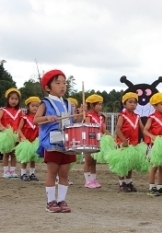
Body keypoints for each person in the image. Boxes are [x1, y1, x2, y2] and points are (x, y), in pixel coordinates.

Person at [34, 69, 84, 213]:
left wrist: (81, 113)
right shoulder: (45, 103)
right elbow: (35, 120)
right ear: (48, 87)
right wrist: (46, 118)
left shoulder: (69, 103)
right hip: (52, 142)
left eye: (64, 83)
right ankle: (50, 202)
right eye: (57, 83)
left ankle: (61, 201)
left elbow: (75, 121)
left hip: (67, 142)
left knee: (64, 173)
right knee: (52, 172)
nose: (62, 86)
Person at [143, 93, 162, 196]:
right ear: (155, 106)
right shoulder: (152, 117)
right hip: (154, 145)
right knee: (154, 165)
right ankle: (151, 187)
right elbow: (145, 130)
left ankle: (160, 186)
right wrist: (152, 136)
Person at [115, 92, 144, 192]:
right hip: (123, 144)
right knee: (122, 164)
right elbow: (117, 129)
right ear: (124, 104)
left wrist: (146, 138)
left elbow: (143, 129)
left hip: (134, 144)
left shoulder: (137, 117)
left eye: (135, 102)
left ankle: (129, 182)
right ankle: (121, 183)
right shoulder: (122, 116)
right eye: (130, 102)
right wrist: (123, 140)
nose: (133, 104)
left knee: (130, 164)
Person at [83, 94, 108, 189]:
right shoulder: (88, 115)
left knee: (94, 161)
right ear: (92, 105)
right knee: (88, 161)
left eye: (101, 105)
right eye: (99, 104)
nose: (101, 107)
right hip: (89, 140)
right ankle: (87, 180)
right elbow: (87, 127)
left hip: (98, 141)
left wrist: (109, 136)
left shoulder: (101, 117)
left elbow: (103, 129)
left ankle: (93, 179)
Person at [0, 88, 23, 178]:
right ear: (8, 99)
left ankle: (12, 171)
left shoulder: (20, 111)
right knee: (6, 153)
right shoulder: (3, 110)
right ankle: (6, 171)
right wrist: (2, 128)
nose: (14, 101)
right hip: (7, 135)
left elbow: (22, 123)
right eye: (12, 98)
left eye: (16, 99)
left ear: (18, 100)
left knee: (13, 154)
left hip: (16, 135)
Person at [17, 96, 41, 181]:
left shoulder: (39, 119)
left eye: (37, 106)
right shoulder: (24, 118)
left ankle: (32, 173)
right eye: (33, 105)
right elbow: (19, 129)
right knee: (25, 157)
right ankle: (23, 173)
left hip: (34, 141)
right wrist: (22, 137)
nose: (35, 107)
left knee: (33, 158)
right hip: (26, 140)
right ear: (28, 107)